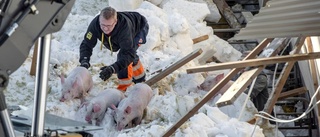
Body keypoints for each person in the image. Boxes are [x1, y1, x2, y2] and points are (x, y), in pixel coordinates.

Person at [79, 6, 149, 91]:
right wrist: (84, 61)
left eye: (108, 25)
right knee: (129, 54)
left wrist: (113, 69)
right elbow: (86, 44)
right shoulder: (95, 25)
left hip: (139, 28)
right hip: (120, 35)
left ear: (115, 22)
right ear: (99, 20)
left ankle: (123, 89)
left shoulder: (124, 30)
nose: (105, 28)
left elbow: (128, 54)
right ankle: (140, 78)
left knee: (125, 55)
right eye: (103, 25)